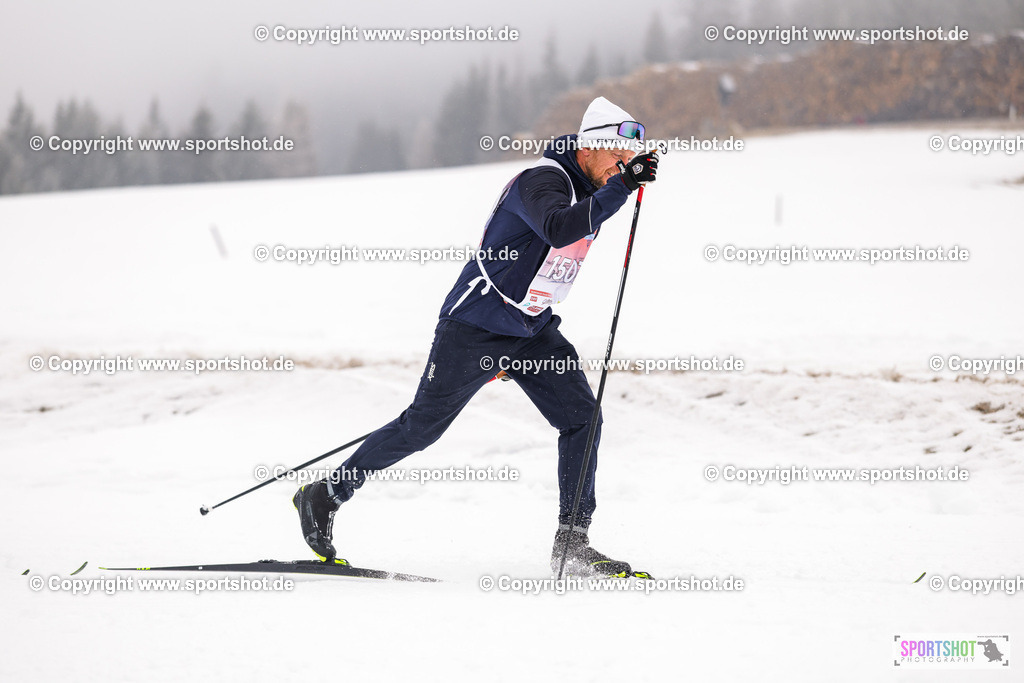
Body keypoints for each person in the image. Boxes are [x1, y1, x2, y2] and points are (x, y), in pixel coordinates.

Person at [294, 96, 659, 576]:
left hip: (531, 329)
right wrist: (622, 189)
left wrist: (621, 185)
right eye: (617, 158)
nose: (622, 169)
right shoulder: (542, 180)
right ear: (590, 148)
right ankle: (324, 495)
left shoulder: (598, 187)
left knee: (582, 419)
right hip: (475, 326)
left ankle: (572, 544)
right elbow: (557, 228)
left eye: (630, 163)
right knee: (421, 428)